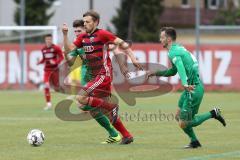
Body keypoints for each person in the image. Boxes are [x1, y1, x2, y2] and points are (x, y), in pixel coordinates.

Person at [63, 11, 141, 144]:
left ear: (96, 22)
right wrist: (65, 35)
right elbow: (70, 49)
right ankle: (127, 136)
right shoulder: (82, 37)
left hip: (102, 75)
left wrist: (133, 58)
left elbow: (122, 44)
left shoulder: (103, 34)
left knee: (81, 98)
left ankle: (112, 106)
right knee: (101, 110)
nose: (85, 24)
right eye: (84, 22)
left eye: (88, 22)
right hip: (95, 77)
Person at [147, 27, 226, 148]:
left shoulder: (173, 52)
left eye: (162, 37)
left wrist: (184, 83)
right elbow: (173, 71)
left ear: (168, 39)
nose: (160, 39)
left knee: (185, 123)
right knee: (178, 117)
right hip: (189, 89)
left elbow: (180, 67)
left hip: (193, 89)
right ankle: (194, 141)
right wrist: (156, 73)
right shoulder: (177, 48)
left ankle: (213, 113)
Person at [38, 34, 64, 110]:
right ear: (45, 40)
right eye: (47, 39)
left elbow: (61, 58)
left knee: (56, 87)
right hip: (47, 70)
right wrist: (39, 62)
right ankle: (48, 103)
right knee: (46, 85)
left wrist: (55, 62)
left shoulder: (56, 48)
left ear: (51, 40)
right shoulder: (43, 49)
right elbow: (44, 59)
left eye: (49, 39)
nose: (48, 40)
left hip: (55, 70)